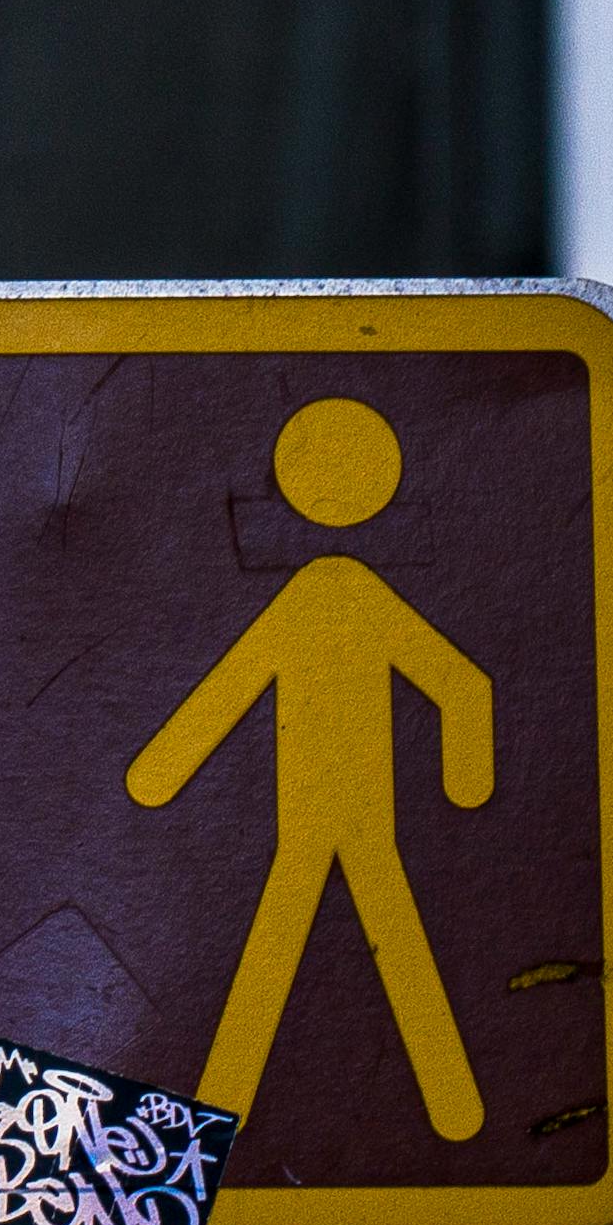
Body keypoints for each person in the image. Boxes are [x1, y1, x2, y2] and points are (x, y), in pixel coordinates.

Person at [123, 396, 499, 1139]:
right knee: (345, 933)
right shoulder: (334, 595)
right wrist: (161, 770)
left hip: (350, 812)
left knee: (317, 937)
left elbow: (459, 683)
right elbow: (459, 686)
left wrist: (162, 771)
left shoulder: (341, 596)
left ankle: (446, 1108)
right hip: (316, 815)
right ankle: (454, 1107)